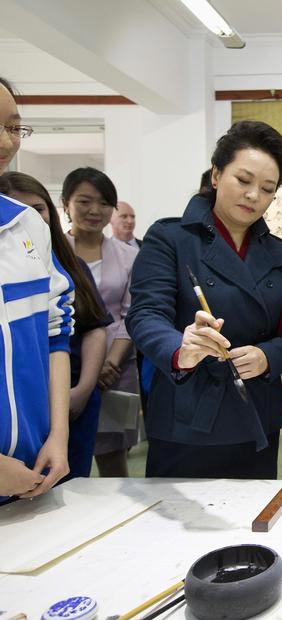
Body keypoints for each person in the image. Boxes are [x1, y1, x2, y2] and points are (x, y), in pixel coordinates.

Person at [126, 120, 282, 479]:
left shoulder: (281, 254)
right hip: (188, 413)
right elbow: (145, 315)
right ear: (216, 175)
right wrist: (182, 348)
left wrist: (267, 356)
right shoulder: (170, 238)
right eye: (243, 180)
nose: (253, 195)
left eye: (267, 188)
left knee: (249, 523)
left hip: (256, 410)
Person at [3, 172, 112, 480]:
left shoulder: (67, 265)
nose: (25, 219)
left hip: (71, 390)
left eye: (37, 208)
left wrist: (83, 389)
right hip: (26, 406)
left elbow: (87, 328)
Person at [0, 76, 73, 500]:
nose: (6, 143)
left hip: (33, 473)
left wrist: (59, 435)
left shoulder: (26, 225)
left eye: (13, 127)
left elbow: (55, 333)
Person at [62, 167, 139, 477]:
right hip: (62, 366)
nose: (95, 210)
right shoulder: (50, 252)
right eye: (84, 201)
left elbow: (130, 313)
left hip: (115, 370)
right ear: (66, 203)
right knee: (60, 453)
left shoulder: (128, 256)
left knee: (113, 458)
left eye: (104, 203)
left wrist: (109, 363)